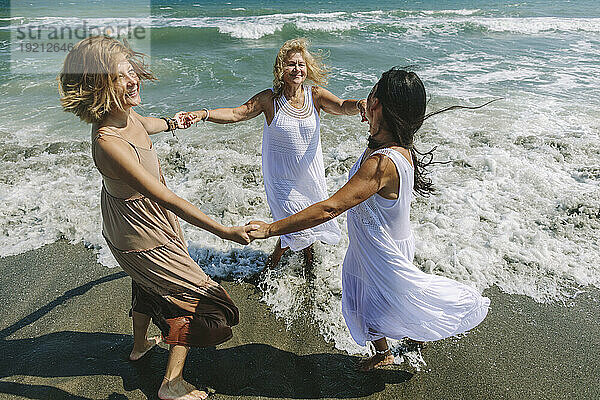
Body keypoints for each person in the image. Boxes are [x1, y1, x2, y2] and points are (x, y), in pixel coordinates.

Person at [247, 67, 491, 371]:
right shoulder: (389, 145)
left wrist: (272, 228)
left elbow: (330, 208)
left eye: (372, 94)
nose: (367, 98)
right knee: (364, 299)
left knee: (391, 302)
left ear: (377, 105)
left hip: (384, 249)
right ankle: (384, 352)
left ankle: (408, 340)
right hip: (373, 245)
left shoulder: (381, 163)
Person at [59, 36, 256, 400]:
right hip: (141, 233)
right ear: (99, 85)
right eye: (121, 77)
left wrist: (172, 123)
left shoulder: (123, 115)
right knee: (204, 301)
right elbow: (166, 196)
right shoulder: (107, 141)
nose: (133, 79)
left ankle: (139, 346)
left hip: (139, 223)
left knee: (148, 284)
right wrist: (224, 231)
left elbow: (142, 125)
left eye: (131, 70)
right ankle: (171, 384)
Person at [185, 38, 366, 274]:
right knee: (295, 223)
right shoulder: (269, 100)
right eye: (291, 64)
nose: (297, 69)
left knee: (306, 222)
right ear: (281, 69)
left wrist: (360, 104)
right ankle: (275, 264)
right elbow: (235, 114)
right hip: (281, 179)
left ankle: (304, 261)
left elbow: (342, 106)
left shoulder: (316, 95)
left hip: (309, 176)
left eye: (301, 64)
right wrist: (204, 113)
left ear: (307, 68)